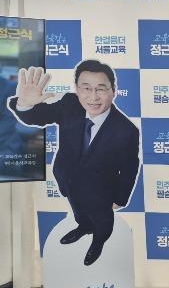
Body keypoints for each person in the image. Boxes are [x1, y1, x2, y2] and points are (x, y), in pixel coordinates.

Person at [8, 62, 140, 266]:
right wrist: (25, 104)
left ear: (113, 91)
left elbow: (130, 167)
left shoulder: (126, 130)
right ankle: (84, 227)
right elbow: (37, 117)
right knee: (79, 213)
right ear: (77, 89)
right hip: (68, 181)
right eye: (86, 88)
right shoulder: (69, 104)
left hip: (101, 192)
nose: (93, 97)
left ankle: (99, 241)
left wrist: (120, 198)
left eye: (101, 89)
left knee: (102, 222)